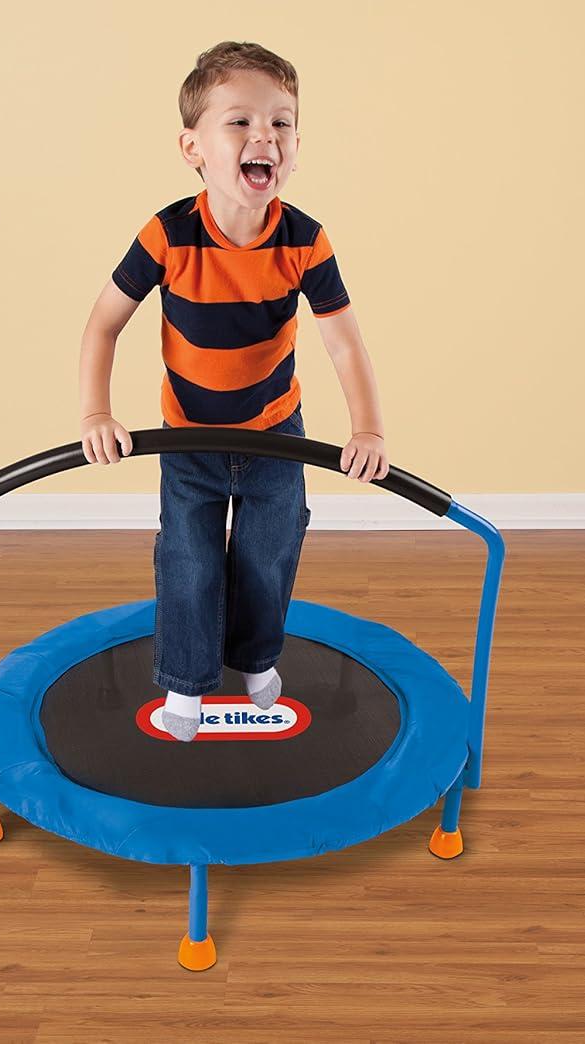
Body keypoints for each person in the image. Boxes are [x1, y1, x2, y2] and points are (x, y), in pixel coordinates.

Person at [76, 41, 390, 741]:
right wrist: (97, 411)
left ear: (297, 148)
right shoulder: (167, 235)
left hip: (276, 432)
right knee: (188, 559)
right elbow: (103, 324)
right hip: (188, 435)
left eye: (281, 125)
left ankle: (255, 661)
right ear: (193, 147)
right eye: (240, 123)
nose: (264, 138)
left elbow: (343, 341)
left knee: (268, 553)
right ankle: (185, 684)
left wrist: (366, 427)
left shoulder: (305, 241)